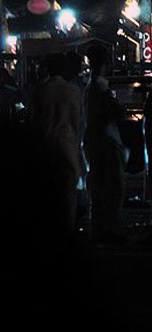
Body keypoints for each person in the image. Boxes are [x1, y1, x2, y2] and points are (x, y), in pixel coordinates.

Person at [29, 53, 83, 232]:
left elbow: (33, 121)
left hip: (45, 147)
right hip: (66, 145)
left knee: (47, 194)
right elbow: (77, 122)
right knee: (68, 193)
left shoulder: (40, 90)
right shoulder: (72, 90)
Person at [84, 46, 126, 244]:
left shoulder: (90, 86)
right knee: (111, 186)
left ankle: (99, 227)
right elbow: (117, 112)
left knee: (99, 186)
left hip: (95, 141)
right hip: (106, 141)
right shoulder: (100, 87)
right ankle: (107, 228)